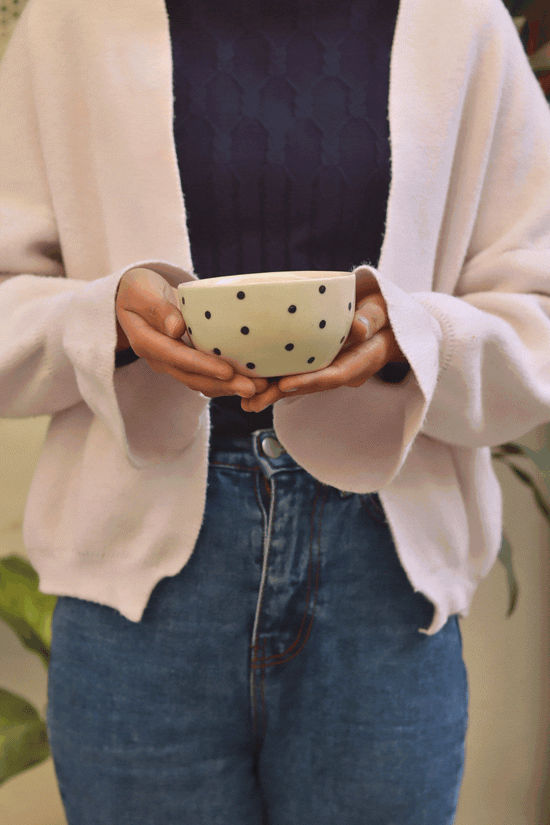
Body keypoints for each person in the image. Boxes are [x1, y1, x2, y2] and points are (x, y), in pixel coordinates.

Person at [0, 0, 549, 822]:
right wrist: (106, 321)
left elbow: (536, 304)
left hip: (386, 580)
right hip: (139, 586)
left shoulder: (458, 21)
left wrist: (412, 334)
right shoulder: (74, 22)